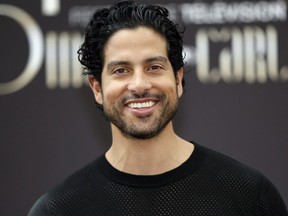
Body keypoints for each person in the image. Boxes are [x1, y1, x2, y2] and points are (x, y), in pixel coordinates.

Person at [28, 1, 287, 215]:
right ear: (97, 88)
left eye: (154, 67)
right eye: (121, 70)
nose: (139, 84)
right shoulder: (58, 209)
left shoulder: (249, 195)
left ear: (177, 79)